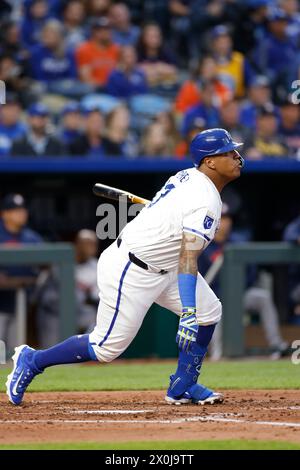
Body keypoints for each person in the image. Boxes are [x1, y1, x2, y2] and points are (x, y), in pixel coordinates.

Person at [7, 127, 245, 406]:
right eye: (228, 152)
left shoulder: (191, 177)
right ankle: (32, 360)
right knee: (106, 348)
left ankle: (183, 385)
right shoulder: (204, 198)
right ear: (210, 162)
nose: (237, 157)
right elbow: (188, 257)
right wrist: (188, 312)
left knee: (210, 312)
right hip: (132, 269)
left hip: (164, 265)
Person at [199, 205, 289, 360]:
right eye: (221, 219)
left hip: (240, 296)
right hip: (215, 298)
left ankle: (276, 345)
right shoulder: (203, 245)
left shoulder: (238, 243)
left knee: (263, 297)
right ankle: (217, 355)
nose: (224, 223)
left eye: (227, 219)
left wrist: (238, 290)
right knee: (214, 309)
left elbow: (251, 273)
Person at [36, 230, 99, 348]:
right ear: (77, 244)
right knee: (50, 349)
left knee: (94, 319)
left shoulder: (95, 266)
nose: (91, 248)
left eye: (93, 244)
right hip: (52, 313)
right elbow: (40, 286)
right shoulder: (58, 262)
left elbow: (96, 295)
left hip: (78, 312)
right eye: (87, 244)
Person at [0, 194, 43, 353]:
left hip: (21, 303)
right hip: (1, 302)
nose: (21, 213)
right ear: (4, 213)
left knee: (14, 353)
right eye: (15, 210)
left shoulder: (32, 238)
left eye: (22, 209)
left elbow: (46, 265)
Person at [75, 17, 120, 89]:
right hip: (94, 90)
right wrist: (105, 86)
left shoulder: (116, 49)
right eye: (100, 30)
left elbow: (120, 73)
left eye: (108, 29)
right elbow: (85, 78)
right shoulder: (84, 49)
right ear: (94, 32)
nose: (105, 32)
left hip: (114, 90)